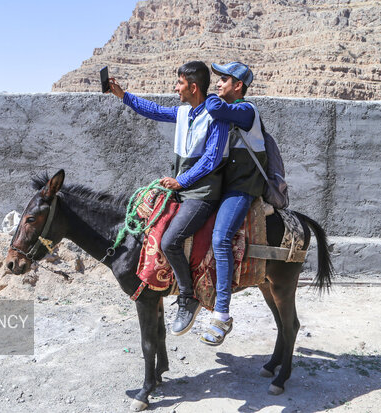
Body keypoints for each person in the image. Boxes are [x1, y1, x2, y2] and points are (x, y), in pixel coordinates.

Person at [108, 61, 229, 336]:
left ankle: (188, 297)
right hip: (182, 189)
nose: (176, 88)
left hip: (201, 193)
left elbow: (210, 160)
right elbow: (155, 111)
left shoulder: (217, 118)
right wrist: (122, 95)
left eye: (180, 84)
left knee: (170, 241)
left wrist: (181, 181)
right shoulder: (185, 112)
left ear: (193, 87)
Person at [199, 61, 268, 346]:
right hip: (225, 185)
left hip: (242, 188)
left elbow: (214, 107)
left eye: (223, 80)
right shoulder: (229, 114)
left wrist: (202, 93)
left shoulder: (245, 110)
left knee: (221, 238)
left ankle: (223, 314)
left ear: (238, 86)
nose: (218, 84)